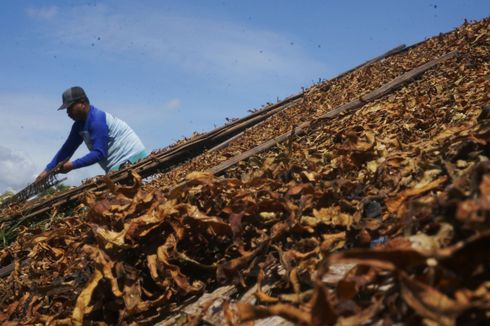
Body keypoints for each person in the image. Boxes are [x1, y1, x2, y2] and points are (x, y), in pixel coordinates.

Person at [37, 86, 148, 180]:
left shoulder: (96, 120)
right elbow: (67, 149)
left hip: (131, 160)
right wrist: (47, 171)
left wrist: (72, 165)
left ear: (83, 103)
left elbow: (99, 153)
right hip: (116, 165)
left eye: (70, 107)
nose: (67, 112)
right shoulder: (78, 125)